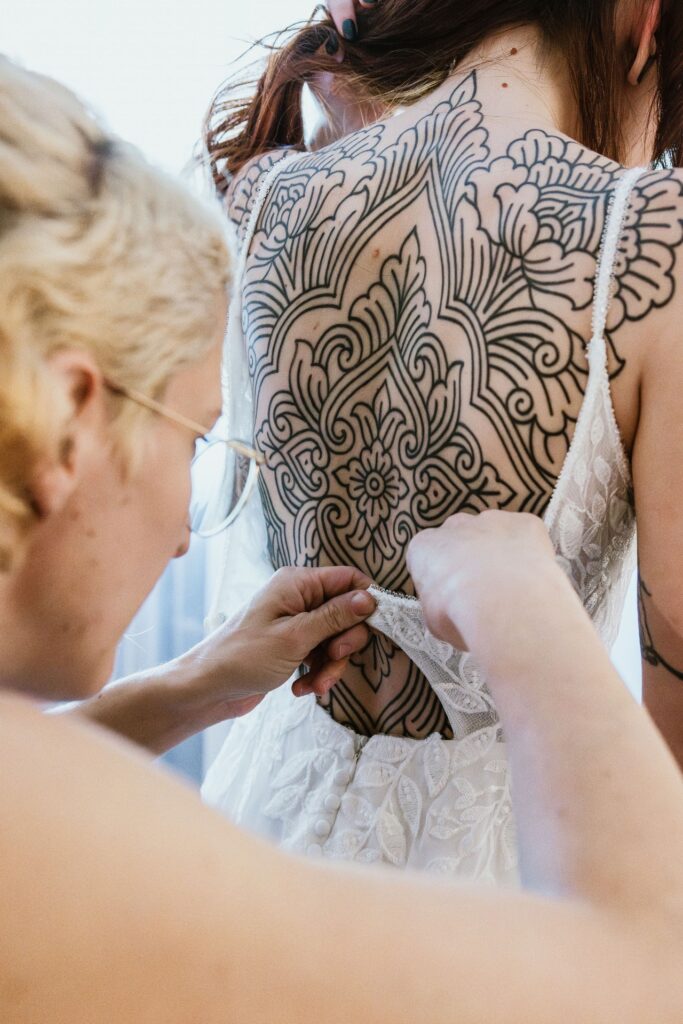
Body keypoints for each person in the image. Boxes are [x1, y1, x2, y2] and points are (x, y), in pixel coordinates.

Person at [2, 56, 683, 1023]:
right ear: (73, 413)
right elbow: (650, 974)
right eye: (199, 438)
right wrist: (525, 613)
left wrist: (185, 686)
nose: (183, 545)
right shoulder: (91, 865)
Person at [200, 0, 683, 881]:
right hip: (501, 886)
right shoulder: (655, 234)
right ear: (647, 20)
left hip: (256, 840)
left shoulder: (270, 193)